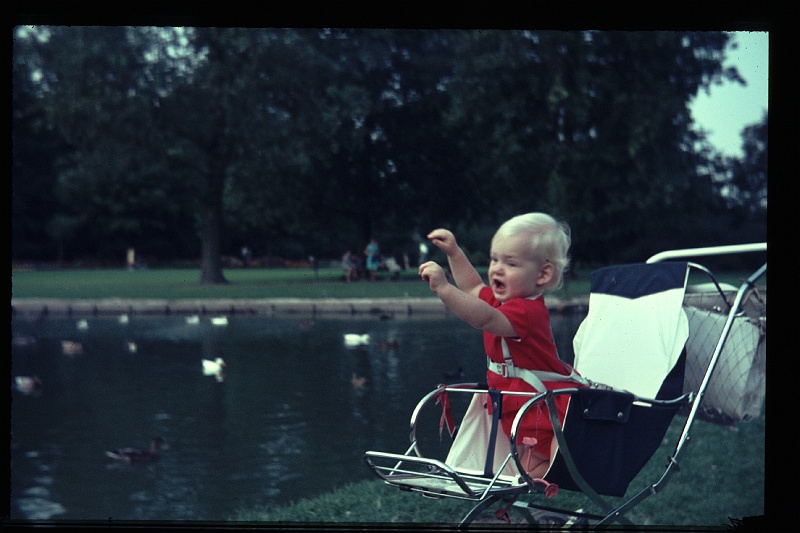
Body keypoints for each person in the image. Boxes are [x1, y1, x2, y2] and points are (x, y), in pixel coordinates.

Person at [418, 213, 579, 479]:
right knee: (526, 468)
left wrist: (444, 290)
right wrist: (455, 254)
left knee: (542, 463)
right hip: (520, 406)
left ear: (543, 274)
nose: (496, 269)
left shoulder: (526, 312)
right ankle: (531, 502)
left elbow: (483, 317)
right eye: (494, 259)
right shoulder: (505, 302)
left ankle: (544, 488)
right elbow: (472, 288)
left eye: (510, 263)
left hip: (543, 409)